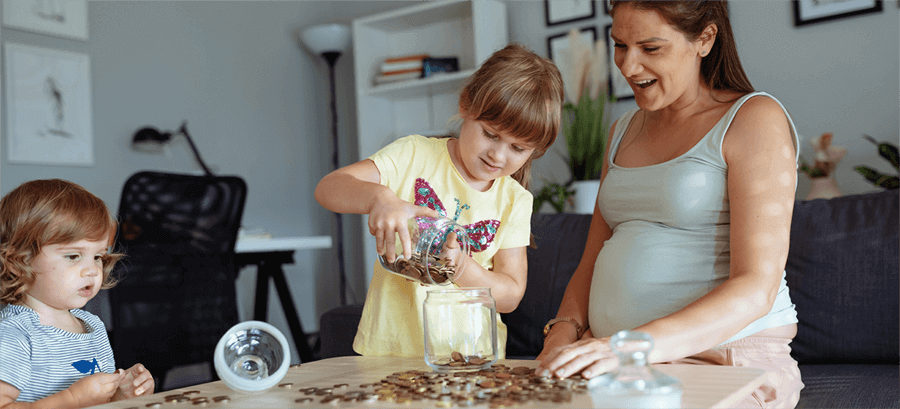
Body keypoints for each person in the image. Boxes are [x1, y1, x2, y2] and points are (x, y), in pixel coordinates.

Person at [535, 1, 804, 407]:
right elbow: (591, 261)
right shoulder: (621, 130)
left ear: (705, 39)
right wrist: (562, 333)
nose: (627, 66)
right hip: (613, 362)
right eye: (620, 45)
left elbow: (755, 288)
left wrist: (631, 346)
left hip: (722, 360)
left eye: (651, 48)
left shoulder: (753, 118)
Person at [315, 44, 564, 357]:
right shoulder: (415, 154)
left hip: (472, 359)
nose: (498, 155)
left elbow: (511, 295)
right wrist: (378, 197)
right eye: (490, 134)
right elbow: (328, 187)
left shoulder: (515, 200)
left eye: (518, 149)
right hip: (390, 354)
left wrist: (460, 267)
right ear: (465, 105)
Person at [0, 179, 155, 408]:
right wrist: (70, 400)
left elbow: (98, 401)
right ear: (17, 262)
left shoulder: (93, 326)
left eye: (98, 257)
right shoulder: (14, 335)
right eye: (73, 256)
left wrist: (122, 395)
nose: (92, 270)